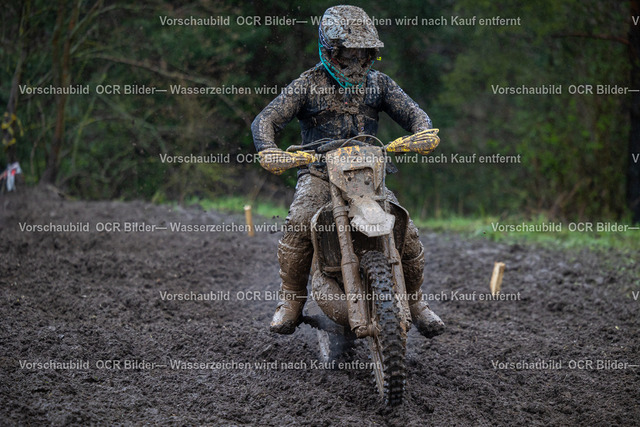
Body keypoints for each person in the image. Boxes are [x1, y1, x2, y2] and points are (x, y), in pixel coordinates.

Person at [252, 5, 444, 339]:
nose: (356, 62)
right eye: (348, 54)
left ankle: (415, 302)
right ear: (329, 51)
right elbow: (266, 119)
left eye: (363, 54)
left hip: (368, 177)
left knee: (407, 231)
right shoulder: (307, 85)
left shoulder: (379, 84)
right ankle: (291, 300)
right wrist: (268, 149)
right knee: (299, 222)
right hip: (318, 173)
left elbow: (415, 113)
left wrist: (423, 132)